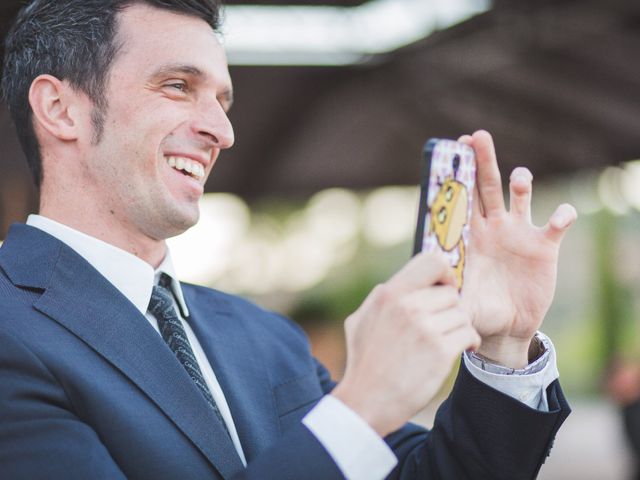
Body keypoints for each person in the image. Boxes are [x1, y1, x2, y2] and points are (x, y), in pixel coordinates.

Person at [0, 1, 578, 479]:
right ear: (60, 108)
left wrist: (504, 345)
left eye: (223, 102)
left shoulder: (266, 336)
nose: (222, 132)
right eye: (178, 86)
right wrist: (361, 407)